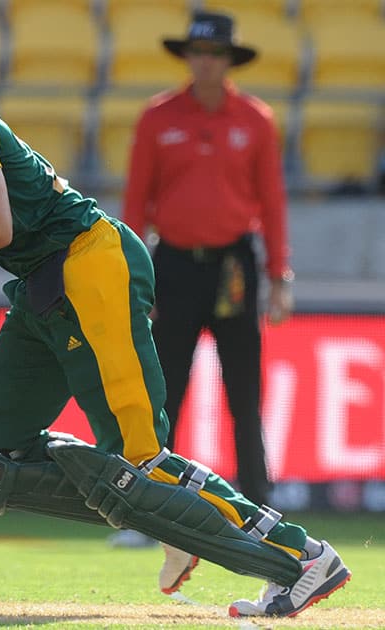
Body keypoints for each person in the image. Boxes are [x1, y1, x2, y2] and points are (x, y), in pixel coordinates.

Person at [0, 6, 350, 618]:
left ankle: (302, 559)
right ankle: (164, 521)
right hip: (41, 286)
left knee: (141, 459)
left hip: (89, 261)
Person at [121, 11, 293, 510]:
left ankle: (260, 507)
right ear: (188, 57)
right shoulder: (158, 116)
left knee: (243, 390)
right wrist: (134, 276)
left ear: (229, 60)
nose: (205, 63)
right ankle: (153, 504)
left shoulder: (254, 119)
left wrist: (278, 276)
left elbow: (273, 202)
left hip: (234, 268)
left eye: (215, 54)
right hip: (172, 263)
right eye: (198, 52)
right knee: (165, 390)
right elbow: (136, 203)